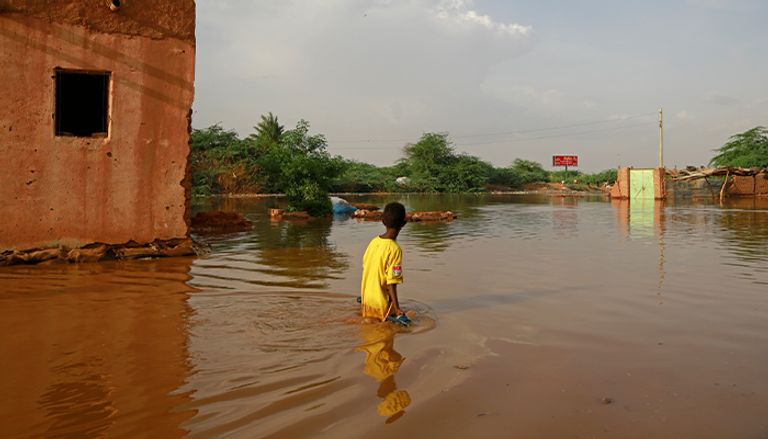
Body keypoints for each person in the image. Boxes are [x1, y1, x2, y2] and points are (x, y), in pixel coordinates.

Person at [360, 202, 412, 326]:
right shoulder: (394, 249)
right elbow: (392, 282)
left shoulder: (373, 242)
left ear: (383, 222)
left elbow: (367, 268)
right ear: (404, 223)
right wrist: (397, 309)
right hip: (380, 302)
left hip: (366, 299)